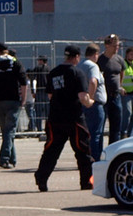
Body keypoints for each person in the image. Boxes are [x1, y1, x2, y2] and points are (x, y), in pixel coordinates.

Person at [34, 46, 92, 191]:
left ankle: (41, 178)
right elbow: (83, 97)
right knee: (82, 151)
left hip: (55, 118)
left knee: (51, 150)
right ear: (77, 56)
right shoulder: (77, 72)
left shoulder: (53, 73)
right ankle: (86, 182)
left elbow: (50, 95)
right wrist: (91, 102)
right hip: (74, 118)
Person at [0, 41, 27, 169]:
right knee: (9, 131)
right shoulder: (16, 63)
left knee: (6, 131)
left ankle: (11, 158)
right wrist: (23, 99)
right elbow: (24, 83)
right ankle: (6, 158)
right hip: (13, 100)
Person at [79, 44, 105, 162]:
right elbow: (93, 81)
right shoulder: (93, 66)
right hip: (94, 104)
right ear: (95, 54)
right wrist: (91, 98)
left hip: (82, 103)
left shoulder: (80, 65)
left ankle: (87, 157)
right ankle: (96, 158)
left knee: (87, 133)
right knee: (96, 134)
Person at [120, 45, 133, 137]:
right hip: (125, 93)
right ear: (127, 54)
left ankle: (129, 133)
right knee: (127, 113)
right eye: (131, 54)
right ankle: (123, 132)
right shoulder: (123, 63)